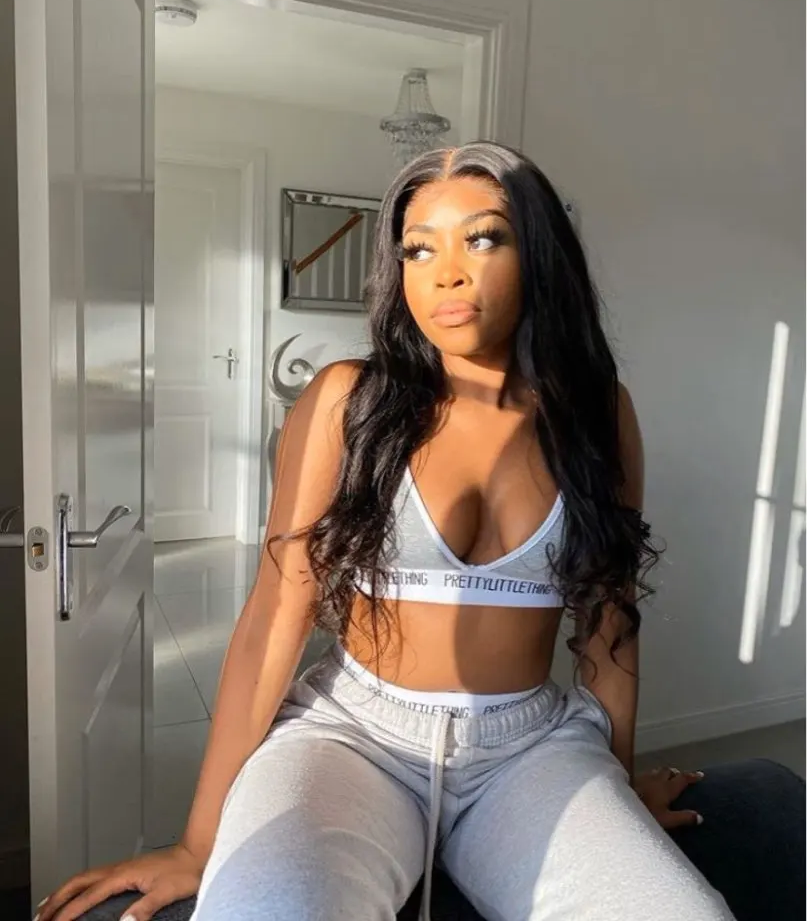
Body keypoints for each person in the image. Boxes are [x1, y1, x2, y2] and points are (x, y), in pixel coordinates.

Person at [38, 142, 735, 921]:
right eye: (418, 248)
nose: (446, 274)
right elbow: (275, 615)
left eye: (482, 238)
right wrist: (199, 842)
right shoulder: (350, 400)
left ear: (539, 254)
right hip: (353, 736)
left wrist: (616, 782)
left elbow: (609, 622)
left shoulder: (598, 412)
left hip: (531, 747)